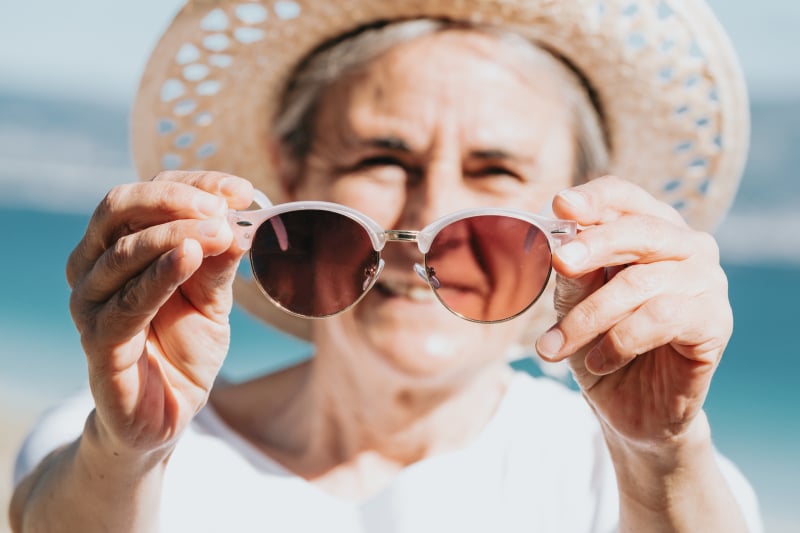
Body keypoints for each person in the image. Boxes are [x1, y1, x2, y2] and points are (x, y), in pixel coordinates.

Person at [10, 1, 762, 531]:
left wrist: (662, 453)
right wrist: (126, 447)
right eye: (381, 156)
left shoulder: (634, 480)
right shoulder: (131, 458)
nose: (432, 216)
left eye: (494, 169)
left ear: (576, 214)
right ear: (291, 171)